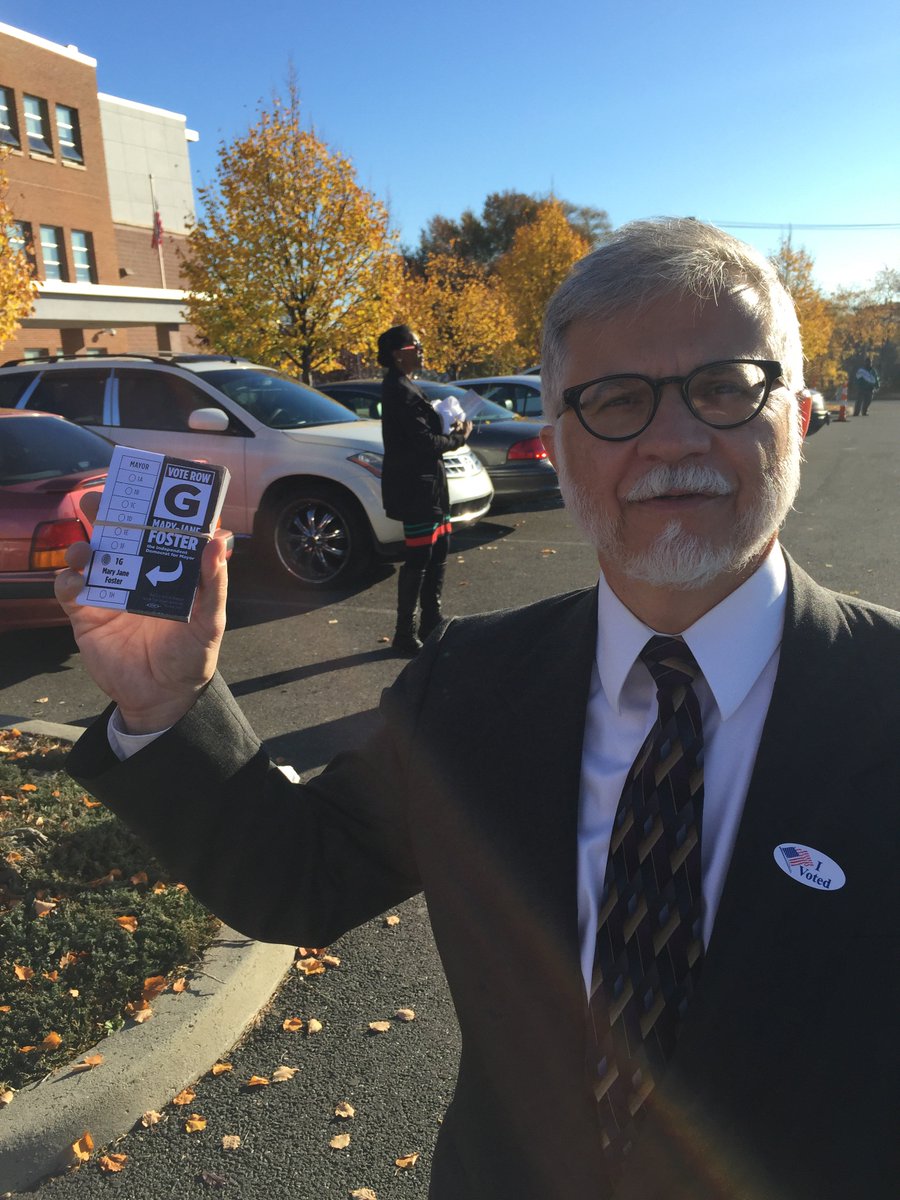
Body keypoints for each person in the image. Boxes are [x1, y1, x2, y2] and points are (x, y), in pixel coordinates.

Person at [56, 218, 899, 1200]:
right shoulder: (471, 684)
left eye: (723, 386)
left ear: (797, 413)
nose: (673, 438)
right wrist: (168, 702)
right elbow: (304, 880)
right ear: (560, 439)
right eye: (617, 398)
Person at [377, 325, 472, 654]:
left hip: (431, 485)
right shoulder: (397, 389)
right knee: (419, 556)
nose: (421, 349)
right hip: (415, 488)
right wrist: (461, 436)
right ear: (397, 353)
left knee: (439, 549)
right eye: (415, 345)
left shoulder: (407, 386)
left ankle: (433, 619)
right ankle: (405, 633)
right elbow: (422, 443)